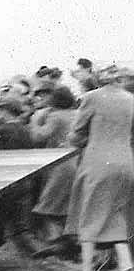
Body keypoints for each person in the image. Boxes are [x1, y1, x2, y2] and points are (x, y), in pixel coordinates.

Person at [67, 69, 134, 271]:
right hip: (126, 163)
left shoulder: (90, 98)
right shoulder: (130, 99)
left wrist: (78, 140)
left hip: (97, 164)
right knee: (115, 212)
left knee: (89, 212)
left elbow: (77, 134)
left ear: (98, 79)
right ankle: (126, 266)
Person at [29, 84, 80, 257]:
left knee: (46, 208)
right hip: (78, 162)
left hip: (61, 166)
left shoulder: (56, 116)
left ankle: (59, 242)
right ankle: (70, 242)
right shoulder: (77, 114)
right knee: (68, 207)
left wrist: (35, 122)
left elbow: (38, 137)